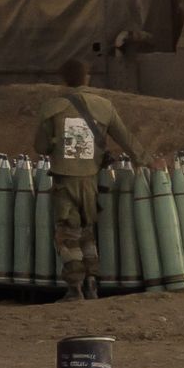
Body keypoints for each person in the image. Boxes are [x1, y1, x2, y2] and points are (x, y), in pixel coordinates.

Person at [34, 58, 146, 301]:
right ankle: (92, 282)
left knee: (67, 233)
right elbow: (126, 138)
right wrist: (145, 160)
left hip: (65, 181)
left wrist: (56, 143)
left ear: (63, 79)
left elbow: (40, 146)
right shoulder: (104, 106)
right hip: (92, 180)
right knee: (86, 231)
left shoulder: (52, 107)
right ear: (88, 78)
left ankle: (75, 288)